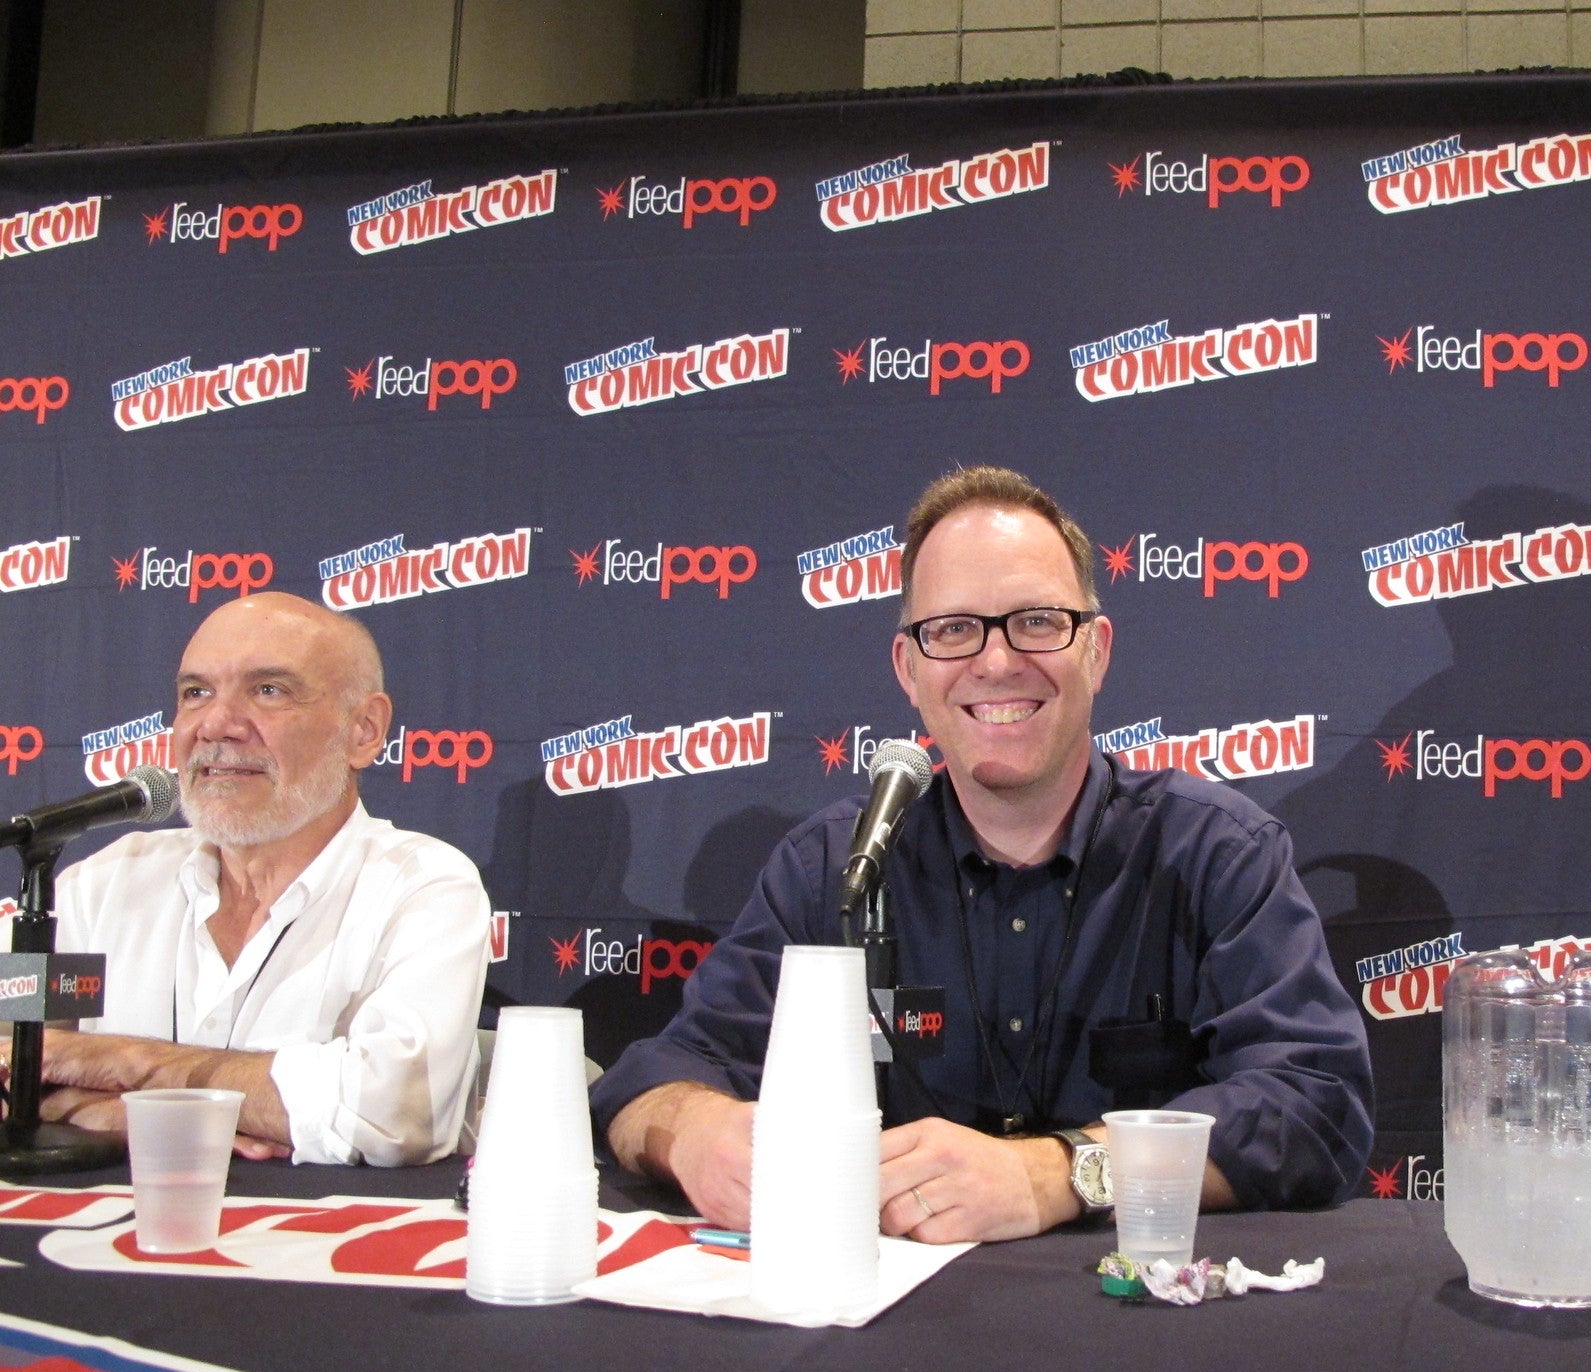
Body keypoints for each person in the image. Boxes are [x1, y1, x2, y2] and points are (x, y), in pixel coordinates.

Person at [593, 466, 1373, 1241]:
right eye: (953, 629)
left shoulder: (1216, 853)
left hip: (1142, 1333)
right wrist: (695, 1135)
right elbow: (652, 1084)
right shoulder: (834, 866)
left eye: (1036, 620)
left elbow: (1317, 1105)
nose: (996, 662)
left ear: (1096, 652)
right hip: (882, 1341)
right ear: (909, 668)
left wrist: (1056, 1173)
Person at [2, 592, 491, 1164]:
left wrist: (125, 1066)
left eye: (268, 691)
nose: (217, 724)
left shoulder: (423, 886)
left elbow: (392, 1114)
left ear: (363, 730)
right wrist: (114, 1116)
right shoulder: (105, 883)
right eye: (196, 693)